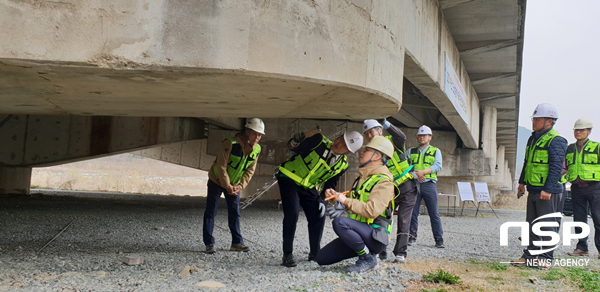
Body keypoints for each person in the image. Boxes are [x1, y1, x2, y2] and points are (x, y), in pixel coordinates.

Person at [277, 130, 363, 267]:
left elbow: (329, 186)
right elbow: (295, 148)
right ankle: (287, 254)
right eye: (340, 139)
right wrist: (294, 142)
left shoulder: (342, 165)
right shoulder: (319, 141)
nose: (339, 144)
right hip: (289, 178)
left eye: (344, 145)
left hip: (308, 186)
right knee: (292, 213)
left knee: (318, 215)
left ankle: (314, 253)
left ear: (348, 152)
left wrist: (323, 201)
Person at [316, 136, 396, 273]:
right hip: (361, 234)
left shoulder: (384, 183)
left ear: (377, 156)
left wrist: (345, 200)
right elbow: (354, 202)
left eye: (367, 150)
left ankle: (367, 258)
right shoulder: (362, 179)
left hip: (376, 237)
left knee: (340, 222)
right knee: (321, 258)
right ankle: (364, 252)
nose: (362, 152)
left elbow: (372, 211)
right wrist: (336, 198)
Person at [513, 103, 567, 269]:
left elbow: (557, 167)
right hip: (535, 189)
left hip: (548, 192)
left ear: (549, 121)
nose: (534, 122)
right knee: (532, 224)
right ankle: (529, 255)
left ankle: (546, 258)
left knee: (547, 225)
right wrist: (522, 183)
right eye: (534, 119)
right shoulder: (533, 138)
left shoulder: (556, 140)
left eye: (537, 119)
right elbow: (527, 162)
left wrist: (548, 189)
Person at [203, 118, 265, 254]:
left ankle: (236, 243)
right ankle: (209, 243)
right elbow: (221, 166)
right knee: (211, 212)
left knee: (235, 213)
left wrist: (240, 186)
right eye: (255, 133)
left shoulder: (257, 149)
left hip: (234, 185)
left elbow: (250, 170)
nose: (257, 137)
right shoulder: (230, 143)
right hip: (217, 181)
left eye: (259, 135)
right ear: (247, 132)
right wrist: (227, 186)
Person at [362, 119, 418, 263]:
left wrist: (386, 123)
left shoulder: (393, 142)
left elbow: (402, 137)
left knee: (404, 219)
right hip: (388, 188)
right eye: (367, 134)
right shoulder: (369, 152)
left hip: (407, 187)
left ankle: (400, 253)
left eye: (372, 132)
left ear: (380, 130)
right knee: (382, 218)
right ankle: (380, 250)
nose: (369, 135)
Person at [564, 118, 600, 259]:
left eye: (581, 130)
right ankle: (581, 247)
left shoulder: (597, 147)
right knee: (579, 219)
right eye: (576, 130)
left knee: (598, 219)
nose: (578, 132)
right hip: (577, 188)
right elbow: (564, 167)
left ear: (589, 132)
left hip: (595, 188)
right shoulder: (570, 148)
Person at [408, 125, 445, 248]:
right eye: (420, 135)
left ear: (430, 137)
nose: (422, 137)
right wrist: (416, 174)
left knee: (434, 213)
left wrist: (423, 172)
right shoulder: (411, 151)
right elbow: (405, 166)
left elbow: (438, 166)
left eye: (424, 135)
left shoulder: (435, 151)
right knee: (413, 213)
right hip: (414, 184)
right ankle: (412, 237)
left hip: (429, 184)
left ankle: (439, 239)